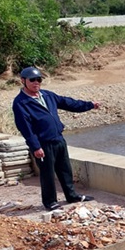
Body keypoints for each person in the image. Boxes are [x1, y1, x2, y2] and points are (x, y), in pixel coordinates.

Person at [12, 66, 101, 211]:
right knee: (47, 174)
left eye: (39, 79)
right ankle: (50, 202)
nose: (36, 83)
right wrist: (36, 147)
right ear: (23, 81)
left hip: (58, 139)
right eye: (32, 80)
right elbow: (25, 128)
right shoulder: (20, 103)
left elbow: (68, 103)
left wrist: (89, 105)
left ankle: (72, 196)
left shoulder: (47, 95)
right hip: (43, 144)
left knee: (65, 170)